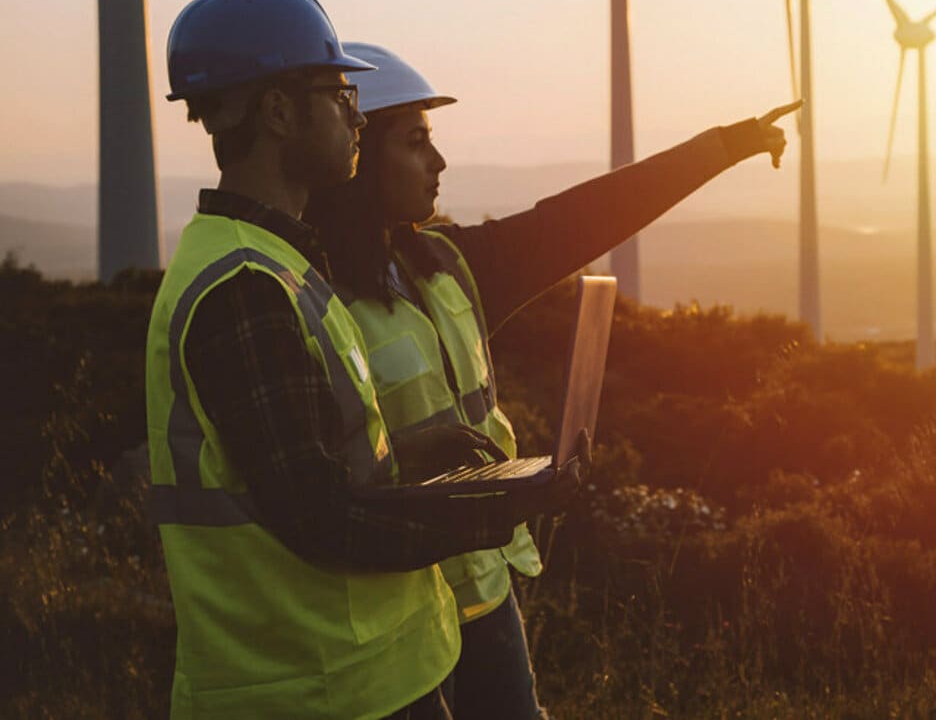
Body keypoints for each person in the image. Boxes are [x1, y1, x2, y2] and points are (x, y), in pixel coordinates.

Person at [301, 42, 799, 719]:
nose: (438, 161)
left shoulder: (446, 265)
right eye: (416, 142)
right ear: (360, 156)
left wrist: (722, 147)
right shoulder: (312, 298)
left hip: (483, 588)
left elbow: (581, 217)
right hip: (393, 613)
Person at [144, 0, 581, 719]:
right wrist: (499, 505)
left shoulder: (282, 265)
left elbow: (313, 464)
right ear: (278, 111)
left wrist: (415, 450)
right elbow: (321, 517)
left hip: (369, 676)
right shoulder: (242, 290)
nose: (356, 111)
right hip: (313, 690)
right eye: (338, 89)